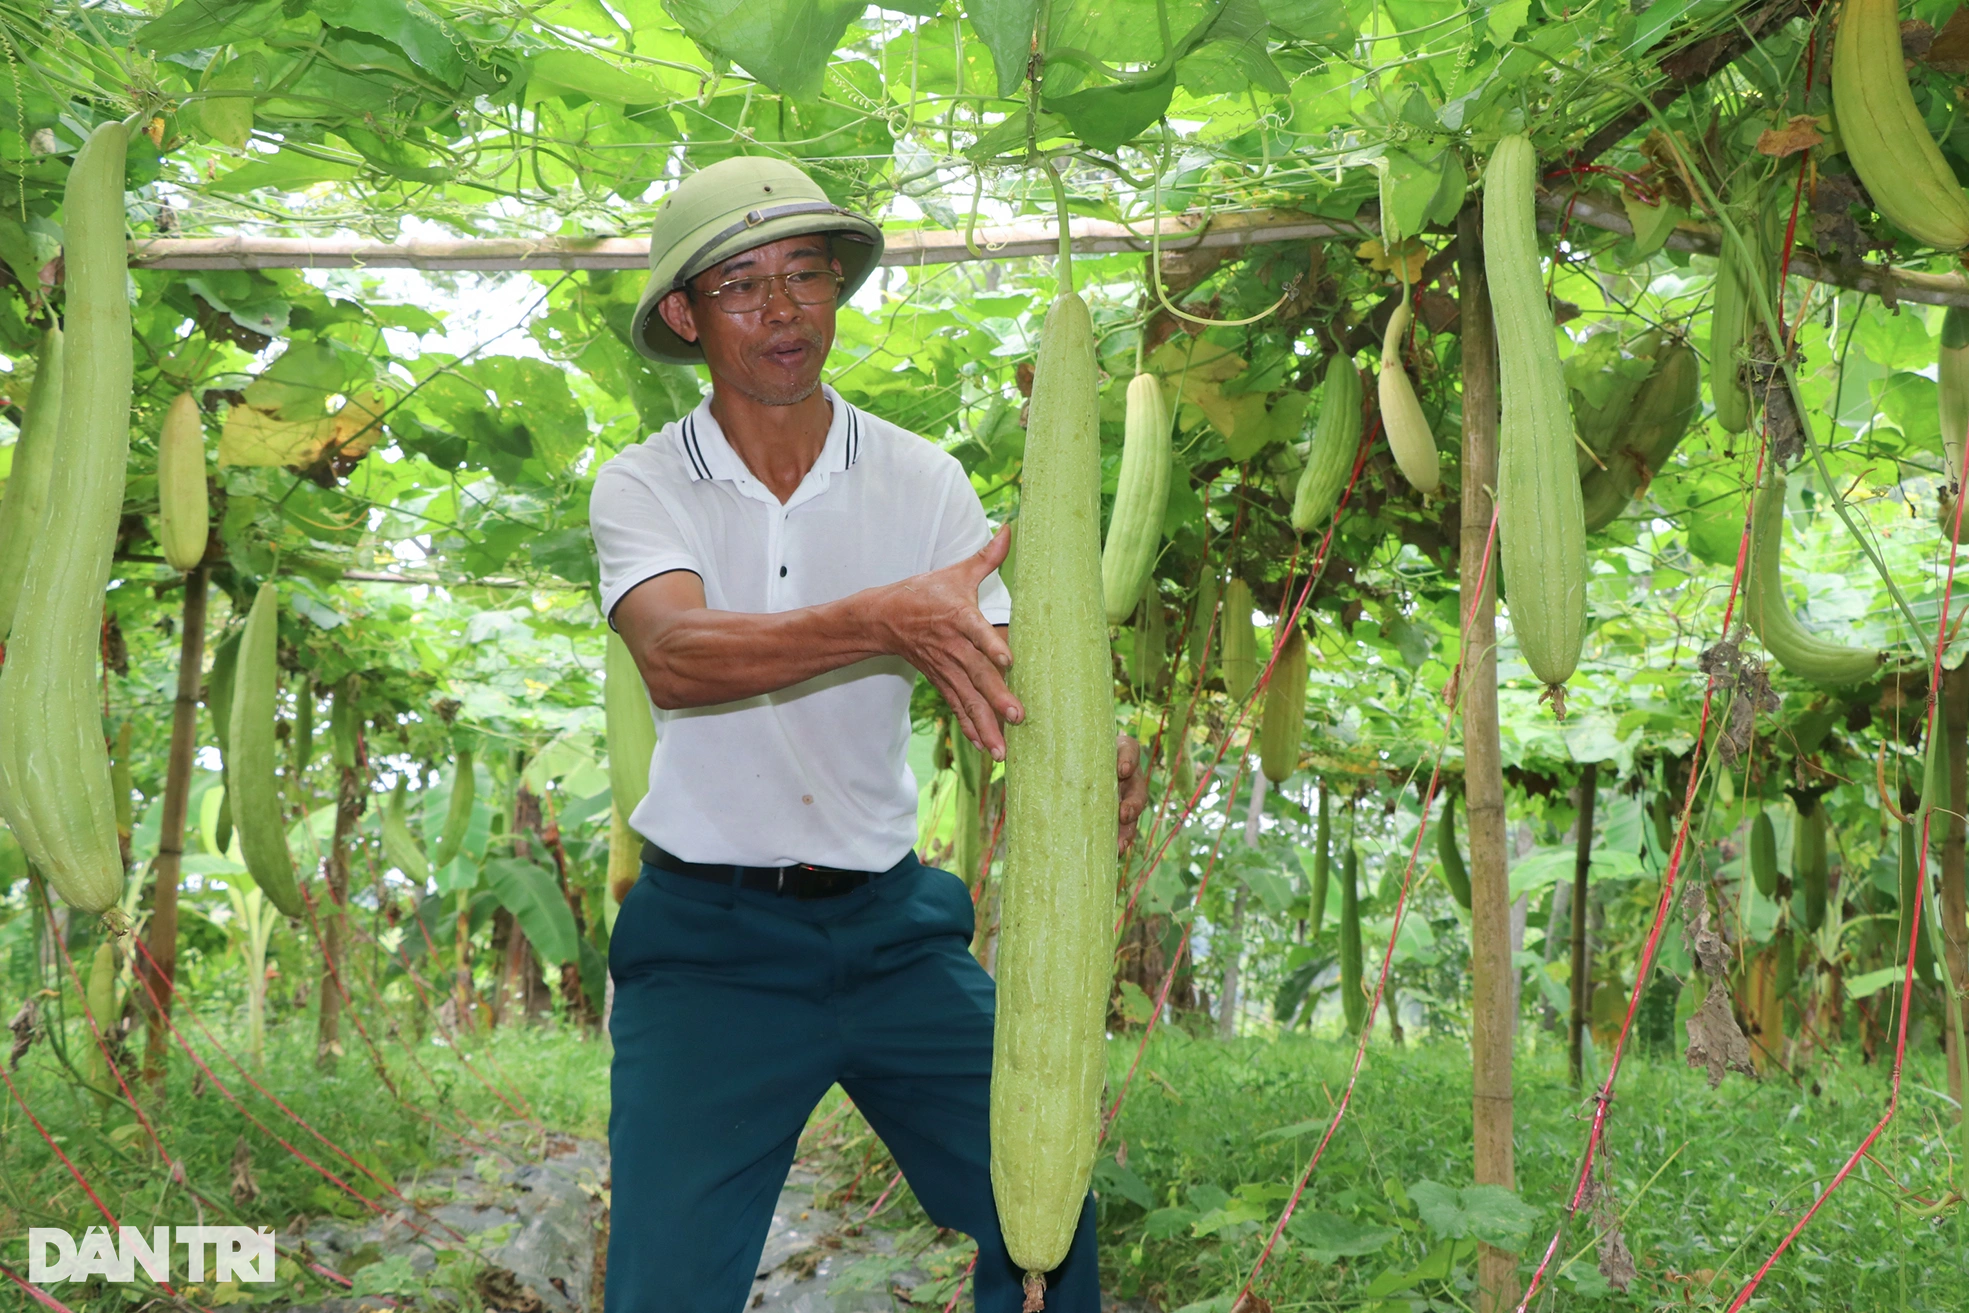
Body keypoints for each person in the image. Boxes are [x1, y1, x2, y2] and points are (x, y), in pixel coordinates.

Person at [589, 156, 1150, 1313]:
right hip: (709, 943)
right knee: (664, 1283)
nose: (783, 307)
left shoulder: (919, 478)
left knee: (1046, 1205)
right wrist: (877, 618)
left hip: (892, 927)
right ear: (687, 316)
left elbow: (992, 665)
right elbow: (676, 657)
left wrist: (1086, 751)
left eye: (807, 273)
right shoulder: (644, 485)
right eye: (742, 284)